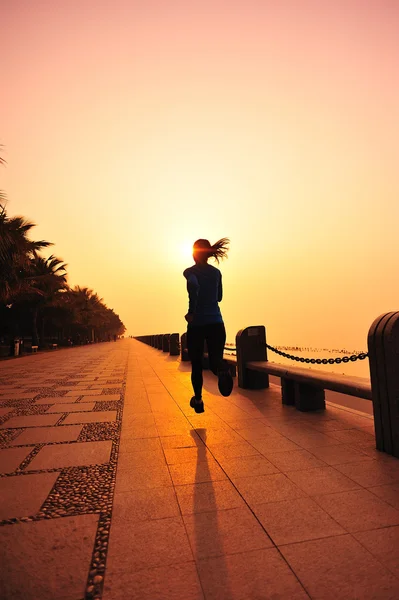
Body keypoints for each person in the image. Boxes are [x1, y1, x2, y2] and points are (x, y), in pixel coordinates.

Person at [183, 238, 233, 413]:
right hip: (217, 323)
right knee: (215, 362)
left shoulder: (189, 271)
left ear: (194, 253)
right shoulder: (216, 273)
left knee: (196, 365)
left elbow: (193, 286)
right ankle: (222, 371)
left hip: (197, 324)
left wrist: (191, 311)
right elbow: (219, 297)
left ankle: (198, 400)